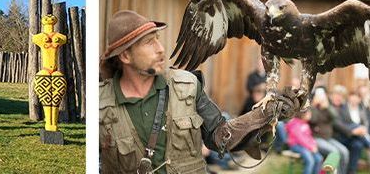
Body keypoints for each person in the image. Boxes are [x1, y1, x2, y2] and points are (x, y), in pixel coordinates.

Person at [99, 10, 300, 174]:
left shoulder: (187, 85)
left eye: (157, 39)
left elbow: (219, 135)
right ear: (125, 55)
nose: (160, 48)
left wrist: (265, 115)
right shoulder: (99, 103)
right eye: (148, 42)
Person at [310, 90, 350, 173]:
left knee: (345, 151)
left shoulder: (327, 108)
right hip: (316, 138)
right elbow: (312, 120)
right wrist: (314, 105)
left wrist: (327, 107)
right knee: (335, 152)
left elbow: (335, 116)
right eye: (319, 97)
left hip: (328, 138)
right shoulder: (312, 108)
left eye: (323, 97)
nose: (321, 99)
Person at [285, 109, 323, 174]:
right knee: (310, 161)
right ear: (302, 114)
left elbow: (309, 137)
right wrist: (311, 147)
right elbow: (300, 139)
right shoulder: (295, 123)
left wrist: (314, 144)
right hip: (296, 145)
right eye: (309, 113)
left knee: (319, 159)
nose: (311, 115)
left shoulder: (305, 124)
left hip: (306, 146)